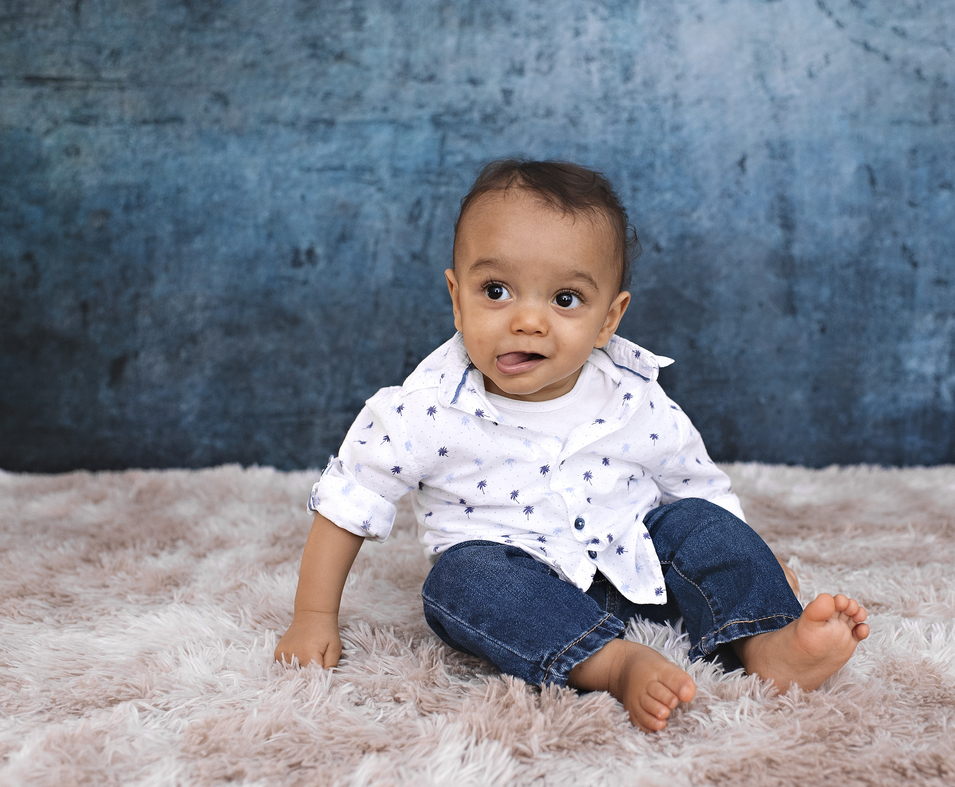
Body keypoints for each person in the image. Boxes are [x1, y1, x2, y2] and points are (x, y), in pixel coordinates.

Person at [275, 159, 869, 733]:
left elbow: (699, 486)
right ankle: (611, 662)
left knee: (697, 524)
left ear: (609, 319)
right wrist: (313, 617)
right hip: (520, 585)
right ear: (456, 297)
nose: (528, 321)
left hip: (637, 567)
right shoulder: (423, 410)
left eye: (564, 300)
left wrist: (751, 564)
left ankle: (765, 640)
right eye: (497, 290)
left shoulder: (634, 398)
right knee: (459, 581)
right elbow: (349, 502)